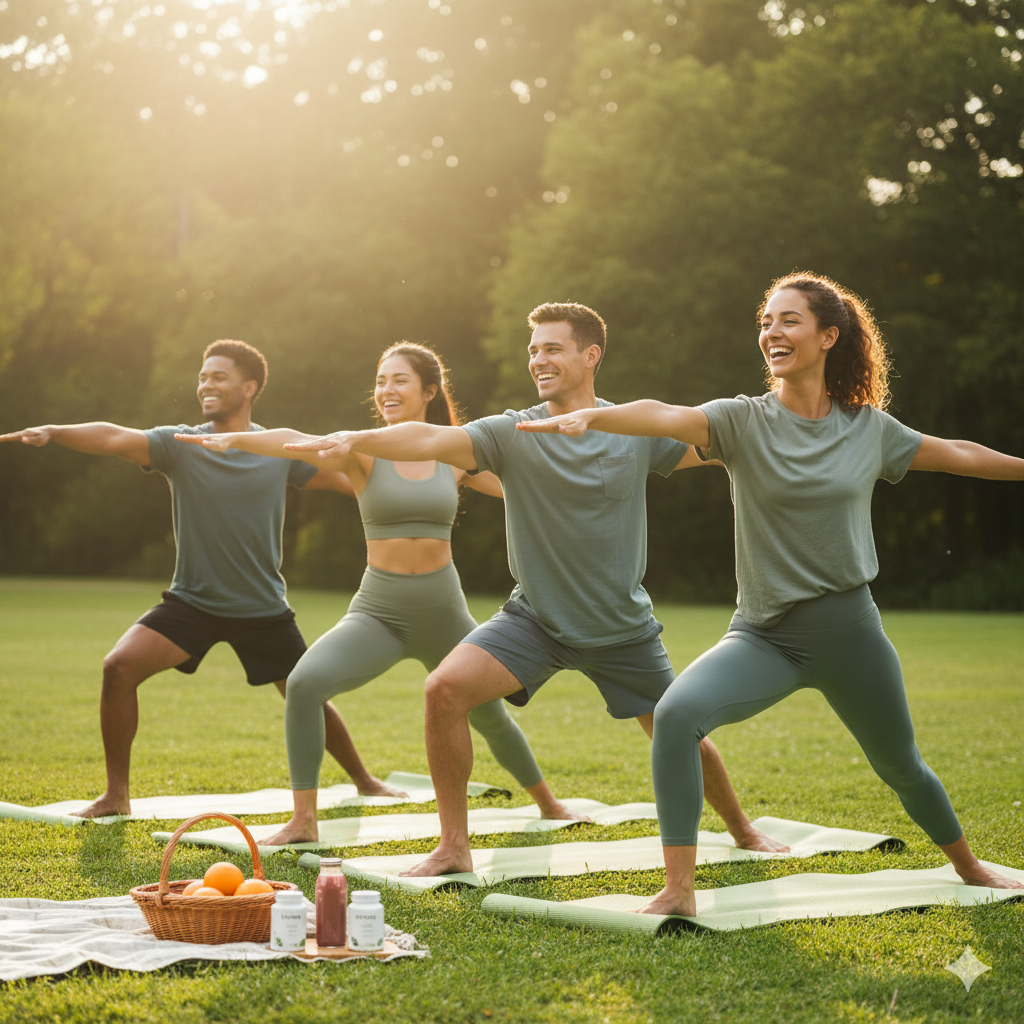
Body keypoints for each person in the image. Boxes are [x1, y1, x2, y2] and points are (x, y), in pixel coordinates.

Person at [518, 273, 1024, 914]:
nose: (772, 333)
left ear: (828, 336)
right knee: (675, 716)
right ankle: (678, 890)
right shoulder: (740, 421)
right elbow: (667, 415)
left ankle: (970, 866)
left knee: (901, 766)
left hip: (850, 635)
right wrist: (597, 415)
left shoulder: (867, 429)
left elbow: (958, 454)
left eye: (789, 321)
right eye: (766, 321)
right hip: (765, 636)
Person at [286, 303, 786, 876]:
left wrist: (781, 433)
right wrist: (353, 438)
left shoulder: (633, 431)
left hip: (620, 627)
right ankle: (454, 847)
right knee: (443, 691)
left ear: (590, 356)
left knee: (678, 728)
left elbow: (714, 443)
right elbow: (427, 439)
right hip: (536, 620)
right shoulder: (511, 431)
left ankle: (744, 829)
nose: (538, 360)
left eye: (552, 348)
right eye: (533, 350)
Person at [176, 342, 582, 845]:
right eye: (381, 381)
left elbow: (524, 488)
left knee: (491, 716)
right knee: (303, 685)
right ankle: (304, 819)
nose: (386, 390)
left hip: (444, 613)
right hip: (379, 612)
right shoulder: (361, 449)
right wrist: (240, 440)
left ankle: (548, 802)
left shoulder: (454, 452)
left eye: (399, 381)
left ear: (429, 392)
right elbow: (293, 441)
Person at [0, 339, 402, 817]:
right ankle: (116, 795)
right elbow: (114, 437)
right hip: (193, 603)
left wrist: (419, 477)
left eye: (219, 377)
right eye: (202, 377)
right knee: (118, 668)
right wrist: (55, 431)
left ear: (249, 388)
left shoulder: (278, 450)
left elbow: (356, 480)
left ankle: (364, 780)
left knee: (306, 692)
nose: (205, 385)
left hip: (262, 609)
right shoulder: (181, 444)